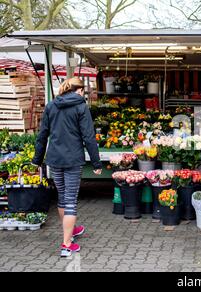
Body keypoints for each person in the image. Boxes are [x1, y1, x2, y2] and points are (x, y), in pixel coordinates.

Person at [32, 77, 102, 257]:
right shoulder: (81, 107)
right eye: (83, 92)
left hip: (54, 159)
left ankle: (70, 231)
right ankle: (66, 244)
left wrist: (37, 159)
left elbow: (42, 135)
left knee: (63, 198)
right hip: (72, 160)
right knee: (71, 201)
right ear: (79, 90)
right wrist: (96, 162)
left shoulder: (51, 105)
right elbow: (88, 136)